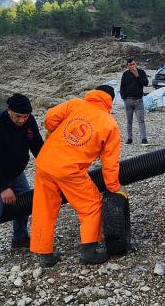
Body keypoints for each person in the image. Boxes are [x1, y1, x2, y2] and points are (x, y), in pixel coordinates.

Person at [30, 85, 122, 267]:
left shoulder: (75, 104)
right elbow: (110, 164)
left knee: (44, 208)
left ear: (94, 93)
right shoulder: (109, 124)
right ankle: (89, 251)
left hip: (45, 162)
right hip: (69, 169)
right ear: (110, 100)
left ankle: (44, 254)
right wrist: (114, 188)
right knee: (91, 205)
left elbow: (49, 117)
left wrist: (53, 130)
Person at [0, 93, 43, 281]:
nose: (22, 120)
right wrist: (3, 188)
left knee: (25, 203)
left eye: (25, 116)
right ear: (9, 110)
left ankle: (19, 238)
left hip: (16, 172)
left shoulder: (29, 121)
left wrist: (51, 167)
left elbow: (38, 146)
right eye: (18, 116)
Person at [120, 57, 149, 144]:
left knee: (141, 120)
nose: (133, 66)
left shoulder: (141, 72)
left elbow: (146, 83)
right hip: (128, 100)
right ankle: (129, 138)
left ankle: (144, 138)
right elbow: (122, 86)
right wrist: (124, 97)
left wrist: (137, 76)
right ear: (128, 66)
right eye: (130, 65)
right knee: (129, 121)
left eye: (134, 64)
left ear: (136, 64)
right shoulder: (125, 74)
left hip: (138, 101)